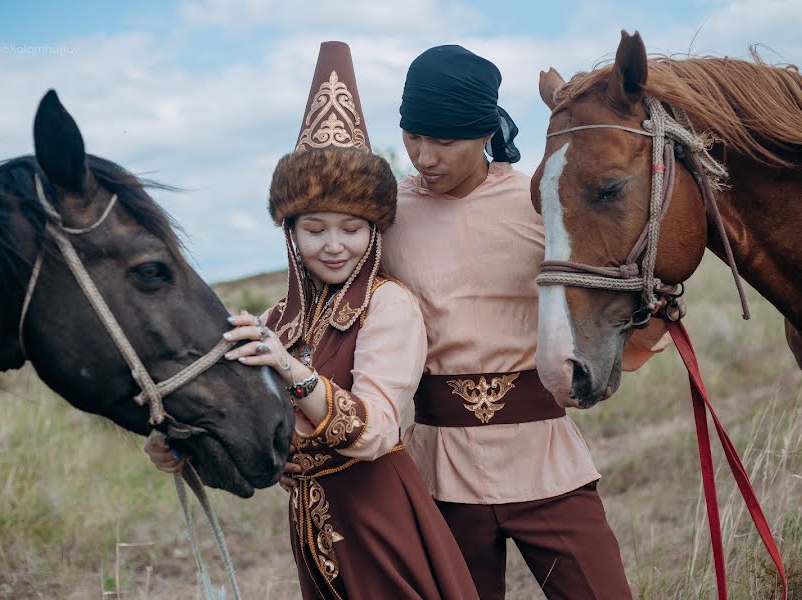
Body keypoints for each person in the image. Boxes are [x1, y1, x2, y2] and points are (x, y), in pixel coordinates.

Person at [145, 42, 478, 600]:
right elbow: (258, 440)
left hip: (381, 520)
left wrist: (287, 367)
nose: (333, 245)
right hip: (311, 527)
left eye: (351, 227)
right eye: (314, 227)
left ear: (374, 231)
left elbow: (374, 432)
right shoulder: (275, 320)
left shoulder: (388, 305)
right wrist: (180, 450)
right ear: (290, 232)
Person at [380, 45, 672, 599]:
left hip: (544, 459)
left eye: (444, 141)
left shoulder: (539, 200)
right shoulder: (388, 216)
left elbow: (606, 292)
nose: (425, 156)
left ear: (485, 132)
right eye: (413, 136)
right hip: (440, 468)